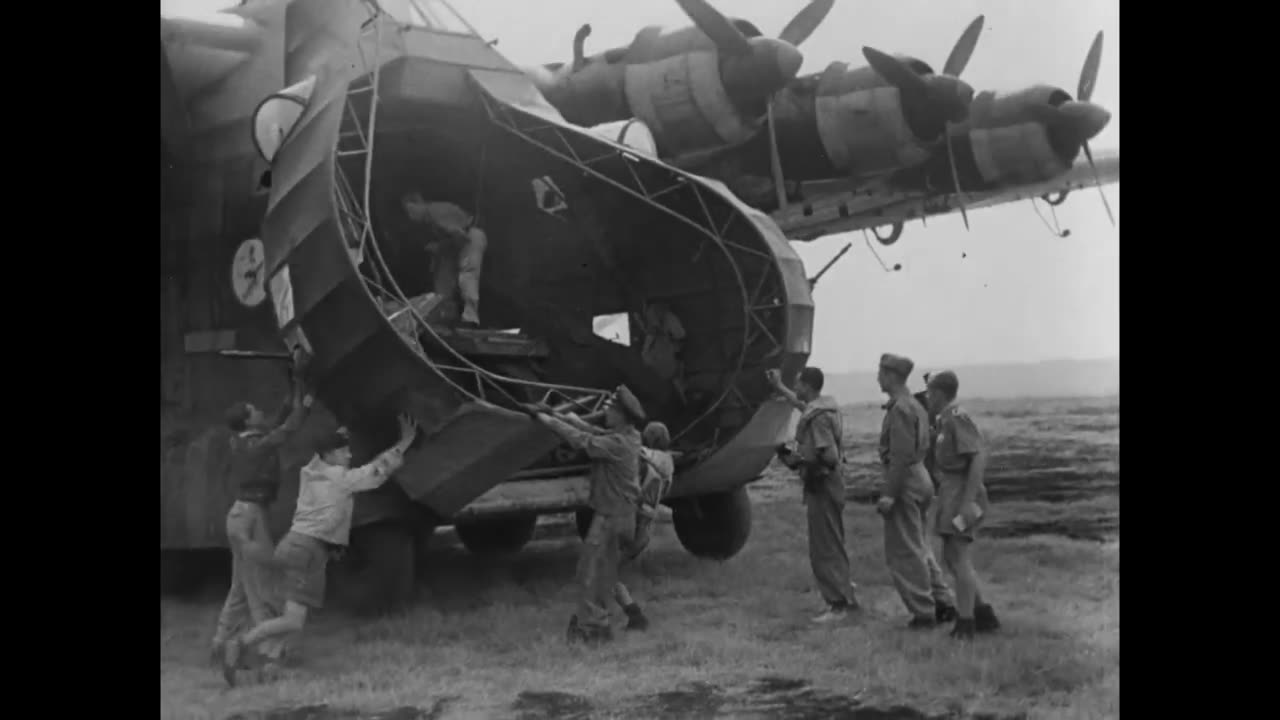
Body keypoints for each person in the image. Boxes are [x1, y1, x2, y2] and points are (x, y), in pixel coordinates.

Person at [221, 414, 419, 686]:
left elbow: (325, 448)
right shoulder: (338, 478)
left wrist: (343, 431)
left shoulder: (311, 470)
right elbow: (376, 471)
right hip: (308, 551)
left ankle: (270, 666)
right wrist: (405, 442)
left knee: (289, 616)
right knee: (292, 620)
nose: (349, 455)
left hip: (295, 545)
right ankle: (240, 643)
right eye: (344, 451)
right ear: (330, 455)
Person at [210, 349, 315, 671]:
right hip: (251, 517)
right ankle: (270, 654)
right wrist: (304, 403)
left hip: (239, 516)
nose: (259, 411)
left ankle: (219, 644)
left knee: (241, 588)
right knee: (264, 585)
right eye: (254, 410)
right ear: (247, 420)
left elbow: (281, 415)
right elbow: (289, 425)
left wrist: (294, 380)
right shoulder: (256, 444)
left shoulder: (244, 440)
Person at [531, 386, 646, 645]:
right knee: (604, 574)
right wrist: (570, 419)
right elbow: (597, 433)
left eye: (610, 409)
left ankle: (593, 630)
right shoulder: (630, 436)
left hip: (610, 518)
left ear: (621, 415)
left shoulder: (617, 443)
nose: (605, 412)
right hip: (622, 516)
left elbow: (582, 441)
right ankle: (598, 626)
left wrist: (547, 420)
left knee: (589, 573)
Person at [766, 367, 861, 624]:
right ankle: (846, 595)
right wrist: (779, 387)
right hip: (831, 484)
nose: (796, 389)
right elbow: (802, 406)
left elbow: (828, 455)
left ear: (807, 386)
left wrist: (798, 460)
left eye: (797, 384)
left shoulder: (818, 418)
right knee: (834, 542)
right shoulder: (824, 408)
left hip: (822, 485)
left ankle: (838, 604)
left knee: (824, 547)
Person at [876, 353, 957, 629]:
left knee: (905, 551)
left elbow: (899, 455)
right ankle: (943, 601)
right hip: (920, 477)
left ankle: (924, 612)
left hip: (906, 479)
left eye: (881, 373)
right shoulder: (916, 405)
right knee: (920, 545)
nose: (878, 378)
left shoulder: (900, 409)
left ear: (889, 376)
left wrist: (889, 493)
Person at [925, 371, 1001, 639]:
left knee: (958, 556)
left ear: (939, 393)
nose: (928, 398)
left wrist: (968, 502)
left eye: (930, 393)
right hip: (951, 491)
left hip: (963, 493)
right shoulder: (944, 420)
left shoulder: (958, 418)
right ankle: (983, 614)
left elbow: (977, 458)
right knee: (951, 556)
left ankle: (966, 623)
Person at [612, 421, 676, 632]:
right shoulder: (668, 464)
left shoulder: (646, 459)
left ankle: (633, 618)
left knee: (604, 573)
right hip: (645, 529)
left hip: (634, 525)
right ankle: (633, 617)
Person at [401, 192, 488, 328]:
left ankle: (470, 319)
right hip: (456, 242)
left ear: (417, 204)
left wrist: (441, 247)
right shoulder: (428, 220)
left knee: (467, 275)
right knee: (443, 280)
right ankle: (443, 315)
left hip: (471, 237)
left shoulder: (435, 211)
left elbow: (460, 236)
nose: (410, 216)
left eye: (410, 211)